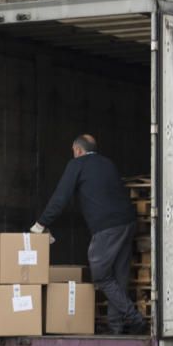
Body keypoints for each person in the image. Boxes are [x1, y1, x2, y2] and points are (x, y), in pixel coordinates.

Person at [31, 134, 148, 335]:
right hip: (127, 223)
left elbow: (61, 197)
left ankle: (134, 318)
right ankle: (116, 328)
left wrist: (41, 223)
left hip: (107, 228)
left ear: (77, 150)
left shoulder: (77, 165)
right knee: (118, 278)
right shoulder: (108, 164)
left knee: (101, 276)